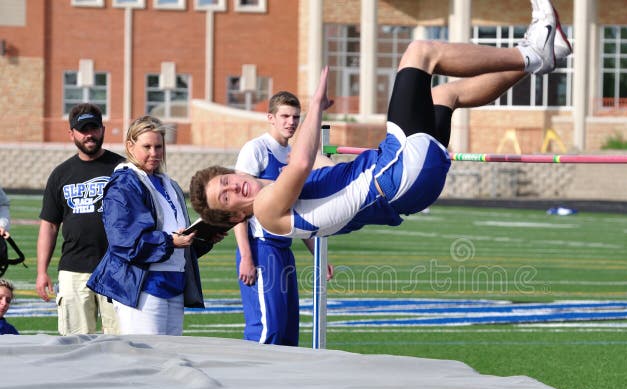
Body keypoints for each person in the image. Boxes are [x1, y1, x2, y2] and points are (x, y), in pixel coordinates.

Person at [190, 0, 572, 240]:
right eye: (225, 198)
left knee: (444, 96)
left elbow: (318, 166)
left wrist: (309, 145)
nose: (233, 189)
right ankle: (532, 52)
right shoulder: (265, 209)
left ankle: (543, 53)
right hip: (396, 174)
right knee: (421, 52)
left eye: (226, 181)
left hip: (409, 185)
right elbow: (303, 161)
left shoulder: (280, 192)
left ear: (232, 173)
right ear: (234, 215)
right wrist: (316, 106)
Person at [87, 115, 220, 335]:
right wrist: (170, 241)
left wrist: (204, 237)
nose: (154, 153)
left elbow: (178, 240)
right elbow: (124, 241)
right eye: (147, 146)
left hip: (174, 284)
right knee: (146, 360)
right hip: (142, 285)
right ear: (130, 146)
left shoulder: (168, 183)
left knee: (169, 360)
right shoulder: (124, 183)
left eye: (159, 146)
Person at [234, 91, 332, 345]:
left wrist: (319, 254)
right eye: (285, 116)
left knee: (288, 333)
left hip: (283, 249)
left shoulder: (293, 156)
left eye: (296, 117)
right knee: (268, 331)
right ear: (271, 118)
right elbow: (237, 208)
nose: (291, 122)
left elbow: (297, 214)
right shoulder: (256, 149)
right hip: (260, 248)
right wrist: (246, 256)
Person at [36, 103, 124, 335]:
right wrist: (41, 271)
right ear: (71, 133)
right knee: (74, 345)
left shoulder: (122, 168)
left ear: (103, 129)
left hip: (116, 267)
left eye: (93, 128)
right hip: (73, 270)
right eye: (83, 129)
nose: (89, 134)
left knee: (122, 342)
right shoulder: (61, 174)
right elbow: (50, 225)